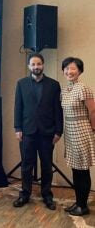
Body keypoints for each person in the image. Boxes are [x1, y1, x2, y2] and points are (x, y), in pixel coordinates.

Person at [13, 53, 63, 210]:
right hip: (27, 131)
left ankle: (47, 195)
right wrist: (17, 128)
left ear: (43, 65)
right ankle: (25, 194)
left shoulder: (54, 85)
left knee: (47, 165)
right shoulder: (21, 84)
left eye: (39, 64)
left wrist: (58, 131)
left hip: (47, 133)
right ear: (29, 66)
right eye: (33, 64)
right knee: (27, 165)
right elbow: (18, 107)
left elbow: (57, 110)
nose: (36, 67)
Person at [61, 57, 95, 216]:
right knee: (76, 169)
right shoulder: (66, 89)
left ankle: (83, 205)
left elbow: (93, 111)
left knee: (82, 170)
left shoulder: (83, 88)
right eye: (66, 68)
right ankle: (78, 202)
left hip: (81, 130)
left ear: (80, 70)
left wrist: (93, 130)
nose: (69, 71)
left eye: (73, 68)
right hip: (70, 131)